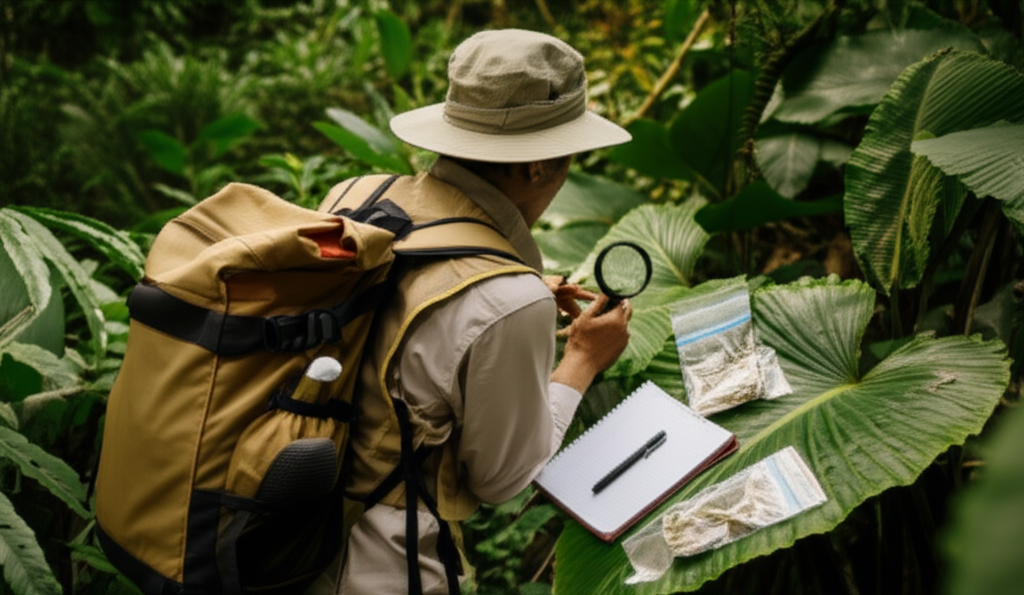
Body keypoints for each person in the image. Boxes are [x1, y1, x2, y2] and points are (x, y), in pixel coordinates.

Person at [306, 28, 633, 595]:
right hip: (381, 570)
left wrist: (506, 298)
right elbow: (504, 479)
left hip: (282, 525)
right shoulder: (506, 300)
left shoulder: (353, 195)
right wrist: (581, 357)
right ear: (537, 165)